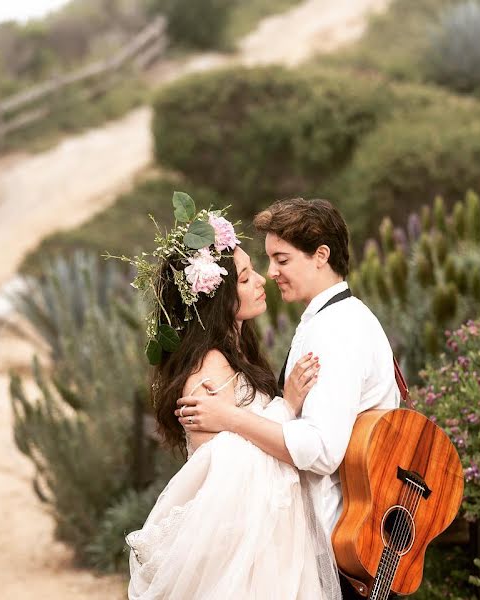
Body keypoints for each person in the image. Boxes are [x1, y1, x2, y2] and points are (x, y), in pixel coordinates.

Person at [177, 198, 401, 599]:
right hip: (310, 547)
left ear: (321, 255)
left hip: (341, 549)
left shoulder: (337, 331)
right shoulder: (328, 321)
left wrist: (229, 417)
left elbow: (320, 450)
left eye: (281, 259)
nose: (270, 272)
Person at [122, 199, 342, 599]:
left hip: (263, 542)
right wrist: (287, 406)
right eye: (244, 278)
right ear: (217, 299)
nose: (261, 280)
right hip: (240, 555)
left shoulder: (235, 356)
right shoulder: (210, 371)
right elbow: (224, 477)